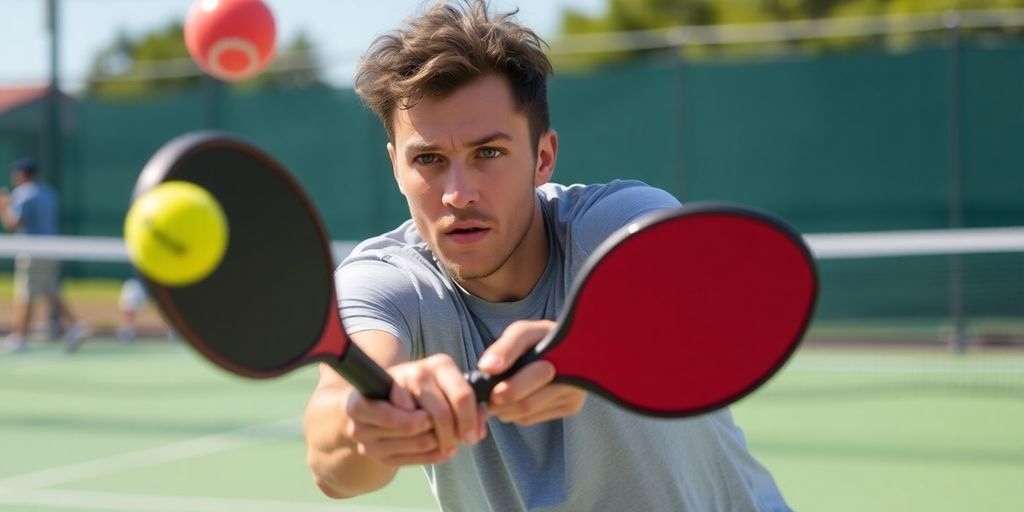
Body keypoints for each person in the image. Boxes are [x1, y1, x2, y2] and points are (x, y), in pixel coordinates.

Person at [303, 1, 792, 510]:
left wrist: (593, 350)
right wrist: (373, 420)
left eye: (488, 153)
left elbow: (706, 302)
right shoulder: (383, 280)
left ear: (543, 158)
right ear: (396, 168)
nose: (458, 193)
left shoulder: (614, 221)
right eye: (429, 159)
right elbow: (333, 458)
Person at [0, 157, 88, 353]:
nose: (14, 177)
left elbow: (14, 225)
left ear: (23, 174)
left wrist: (4, 207)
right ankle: (76, 326)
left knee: (26, 293)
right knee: (50, 290)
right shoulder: (49, 193)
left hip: (33, 250)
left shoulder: (22, 195)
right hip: (52, 248)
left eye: (16, 173)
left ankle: (20, 337)